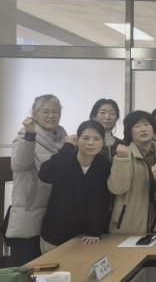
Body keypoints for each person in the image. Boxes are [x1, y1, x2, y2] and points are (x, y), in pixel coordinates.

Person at [5, 95, 67, 265]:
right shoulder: (25, 136)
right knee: (27, 271)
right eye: (45, 111)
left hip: (54, 216)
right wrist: (30, 136)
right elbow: (19, 164)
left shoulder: (64, 140)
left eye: (55, 112)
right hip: (29, 218)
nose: (51, 116)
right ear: (35, 114)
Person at [38, 120, 111, 252]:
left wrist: (95, 230)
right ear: (77, 140)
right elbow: (45, 174)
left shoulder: (104, 165)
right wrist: (66, 148)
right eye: (86, 138)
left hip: (87, 237)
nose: (90, 143)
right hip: (55, 234)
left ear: (103, 142)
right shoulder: (66, 158)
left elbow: (101, 201)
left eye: (96, 139)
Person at [108, 111, 156, 234]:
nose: (143, 129)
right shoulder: (123, 154)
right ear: (129, 131)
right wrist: (121, 160)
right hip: (127, 223)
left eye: (147, 124)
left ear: (153, 128)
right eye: (137, 126)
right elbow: (117, 189)